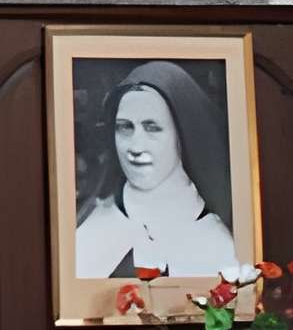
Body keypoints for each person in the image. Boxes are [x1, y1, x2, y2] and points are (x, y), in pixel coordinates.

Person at [72, 60, 243, 282]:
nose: (135, 147)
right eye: (125, 127)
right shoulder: (92, 228)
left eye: (152, 128)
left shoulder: (217, 243)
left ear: (182, 136)